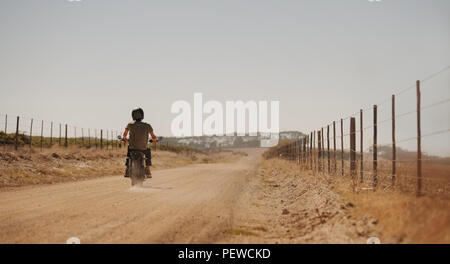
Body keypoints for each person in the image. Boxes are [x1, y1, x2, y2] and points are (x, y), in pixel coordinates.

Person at [123, 107, 157, 178]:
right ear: (142, 115)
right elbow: (154, 137)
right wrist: (154, 140)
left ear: (132, 115)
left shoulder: (130, 125)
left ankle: (127, 169)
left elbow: (124, 135)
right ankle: (147, 169)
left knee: (128, 154)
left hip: (132, 148)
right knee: (148, 152)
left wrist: (125, 140)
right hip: (143, 148)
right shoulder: (147, 125)